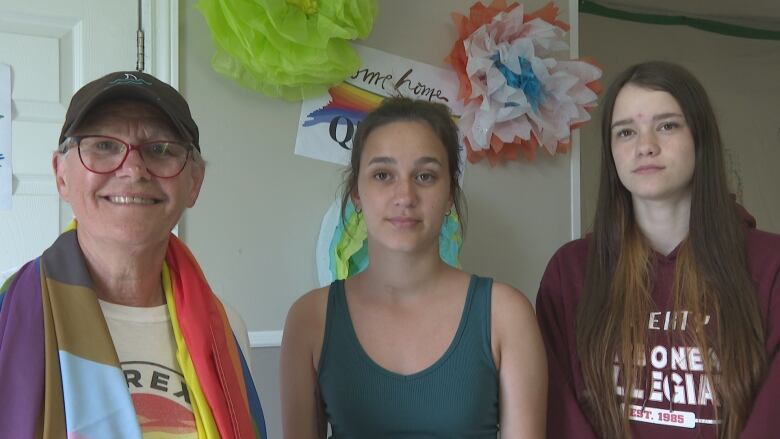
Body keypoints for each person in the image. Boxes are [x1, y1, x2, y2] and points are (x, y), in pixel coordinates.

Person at [0, 71, 267, 438]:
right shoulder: (7, 318)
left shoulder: (226, 327)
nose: (133, 169)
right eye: (104, 146)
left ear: (194, 182)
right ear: (61, 174)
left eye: (161, 149)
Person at [536, 61, 780, 438]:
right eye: (626, 132)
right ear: (611, 152)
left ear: (701, 138)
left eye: (667, 126)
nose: (645, 146)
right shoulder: (570, 272)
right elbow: (558, 411)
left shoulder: (770, 265)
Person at [280, 97, 547, 438]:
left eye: (425, 175)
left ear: (450, 191)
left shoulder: (507, 314)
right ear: (357, 192)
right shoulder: (309, 319)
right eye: (382, 175)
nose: (404, 196)